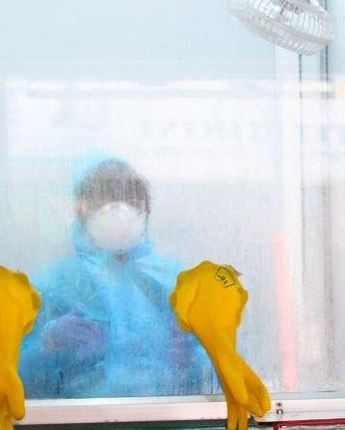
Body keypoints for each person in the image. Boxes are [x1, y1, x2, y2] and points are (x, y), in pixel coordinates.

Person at [20, 155, 213, 398]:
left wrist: (192, 361)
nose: (118, 209)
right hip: (76, 426)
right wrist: (47, 344)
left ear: (145, 211)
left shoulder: (175, 282)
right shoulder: (52, 284)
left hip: (163, 423)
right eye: (105, 197)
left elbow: (219, 376)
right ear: (82, 209)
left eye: (130, 198)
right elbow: (14, 382)